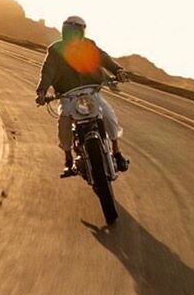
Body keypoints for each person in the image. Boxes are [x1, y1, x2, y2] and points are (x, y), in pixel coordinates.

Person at [35, 15, 130, 177]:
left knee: (109, 116)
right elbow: (48, 71)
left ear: (81, 33)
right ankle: (68, 159)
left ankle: (116, 151)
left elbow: (103, 58)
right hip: (68, 96)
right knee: (64, 123)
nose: (72, 36)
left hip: (91, 92)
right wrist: (42, 91)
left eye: (75, 32)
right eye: (69, 32)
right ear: (64, 32)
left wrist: (118, 70)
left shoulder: (89, 46)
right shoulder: (55, 50)